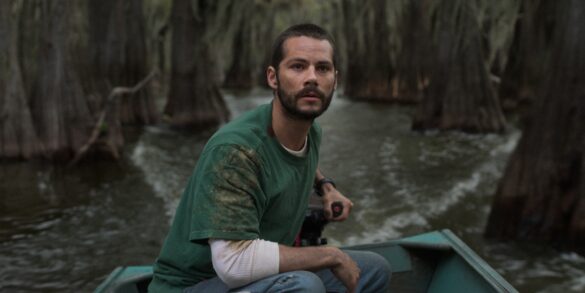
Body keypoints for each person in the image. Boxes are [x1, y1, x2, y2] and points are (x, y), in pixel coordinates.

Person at [148, 23, 391, 293]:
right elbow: (234, 264)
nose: (311, 77)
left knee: (375, 268)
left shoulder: (310, 132)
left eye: (322, 68)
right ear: (273, 78)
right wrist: (330, 255)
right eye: (298, 66)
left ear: (335, 79)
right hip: (193, 286)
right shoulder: (234, 151)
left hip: (254, 280)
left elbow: (294, 158)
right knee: (303, 286)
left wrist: (326, 187)